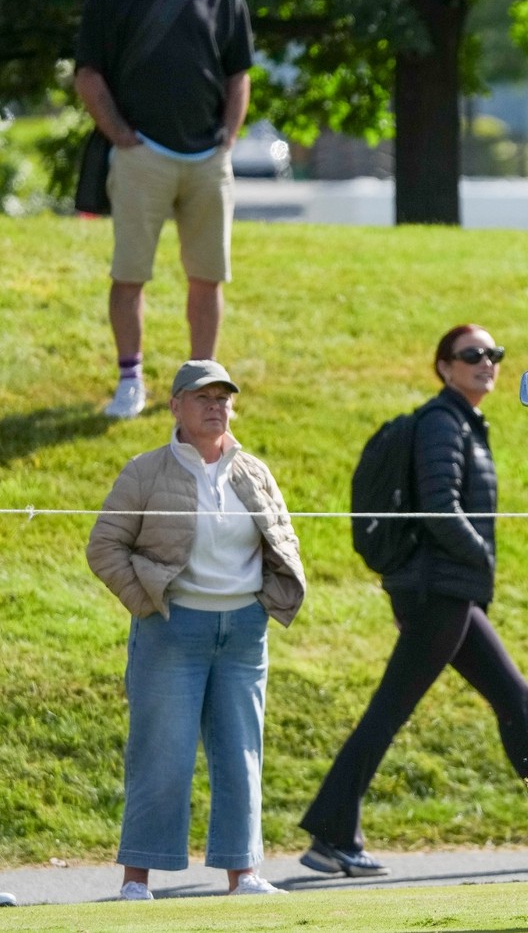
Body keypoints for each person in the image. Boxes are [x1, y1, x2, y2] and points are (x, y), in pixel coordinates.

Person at [299, 325, 528, 876]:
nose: (487, 363)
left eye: (494, 355)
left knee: (514, 698)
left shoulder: (462, 422)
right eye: (472, 355)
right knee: (391, 710)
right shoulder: (441, 422)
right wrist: (482, 557)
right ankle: (333, 833)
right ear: (444, 367)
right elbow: (439, 506)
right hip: (438, 592)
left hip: (449, 591)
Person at [85, 359, 306, 899]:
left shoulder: (253, 470)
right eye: (203, 397)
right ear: (175, 406)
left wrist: (268, 601)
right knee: (162, 754)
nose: (215, 407)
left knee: (240, 755)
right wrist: (147, 602)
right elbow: (104, 546)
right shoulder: (145, 470)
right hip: (172, 629)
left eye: (223, 398)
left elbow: (284, 539)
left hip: (244, 632)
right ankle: (137, 880)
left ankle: (244, 875)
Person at [75, 0, 254, 419]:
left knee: (208, 276)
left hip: (207, 158)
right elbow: (89, 75)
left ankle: (203, 385)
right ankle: (131, 379)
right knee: (130, 274)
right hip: (141, 155)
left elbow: (238, 73)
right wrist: (121, 138)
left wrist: (228, 135)